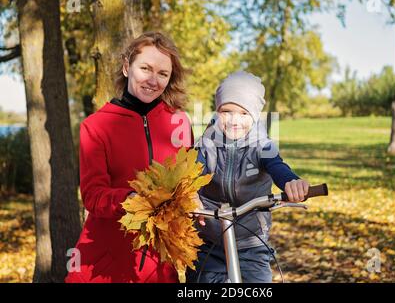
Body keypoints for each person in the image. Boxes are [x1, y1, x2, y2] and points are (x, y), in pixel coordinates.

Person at [65, 31, 193, 283]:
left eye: (163, 74)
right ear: (126, 68)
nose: (153, 80)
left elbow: (189, 183)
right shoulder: (96, 126)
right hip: (105, 261)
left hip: (159, 263)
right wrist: (130, 198)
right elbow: (92, 196)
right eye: (145, 68)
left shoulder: (179, 121)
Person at [186, 71, 310, 283]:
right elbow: (192, 172)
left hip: (251, 243)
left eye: (243, 113)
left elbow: (277, 166)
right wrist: (189, 194)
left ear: (254, 115)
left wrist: (291, 182)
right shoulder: (206, 144)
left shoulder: (263, 145)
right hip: (208, 242)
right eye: (227, 111)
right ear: (217, 112)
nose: (235, 120)